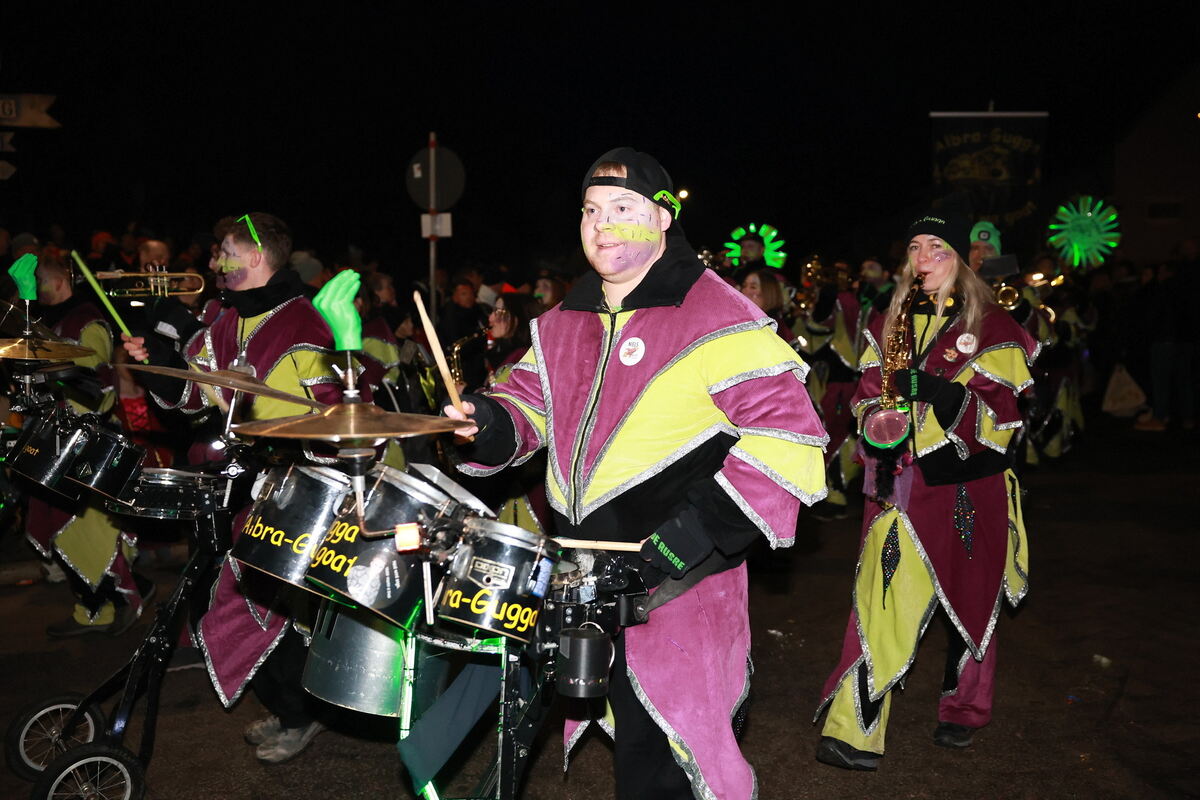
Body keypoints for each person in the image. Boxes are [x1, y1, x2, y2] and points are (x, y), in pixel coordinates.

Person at [445, 147, 828, 799]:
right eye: (591, 210)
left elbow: (792, 441)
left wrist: (693, 534)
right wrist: (484, 421)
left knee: (679, 765)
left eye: (622, 208)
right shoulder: (564, 321)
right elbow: (527, 404)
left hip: (680, 590)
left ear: (661, 219)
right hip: (582, 584)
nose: (601, 224)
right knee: (634, 767)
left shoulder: (716, 313)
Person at [123, 212, 349, 763]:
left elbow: (336, 425)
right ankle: (294, 705)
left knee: (248, 603)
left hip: (292, 485)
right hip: (236, 482)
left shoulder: (304, 325)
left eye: (224, 250)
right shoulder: (225, 319)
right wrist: (159, 366)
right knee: (226, 601)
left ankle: (301, 713)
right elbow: (196, 399)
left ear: (254, 256)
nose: (213, 261)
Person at [814, 212, 1037, 770]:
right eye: (914, 247)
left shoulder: (996, 328)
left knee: (971, 605)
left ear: (962, 259)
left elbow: (1005, 423)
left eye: (937, 247)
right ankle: (853, 729)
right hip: (900, 485)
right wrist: (875, 422)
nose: (922, 258)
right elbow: (868, 394)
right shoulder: (890, 326)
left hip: (967, 490)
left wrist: (942, 394)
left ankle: (963, 710)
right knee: (881, 598)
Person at [14, 253, 154, 637]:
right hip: (58, 440)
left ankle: (123, 597)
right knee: (67, 532)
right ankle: (92, 610)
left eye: (40, 284)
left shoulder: (87, 319)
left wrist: (59, 380)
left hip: (85, 444)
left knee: (89, 532)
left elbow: (99, 387)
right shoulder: (51, 320)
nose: (38, 291)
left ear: (60, 281)